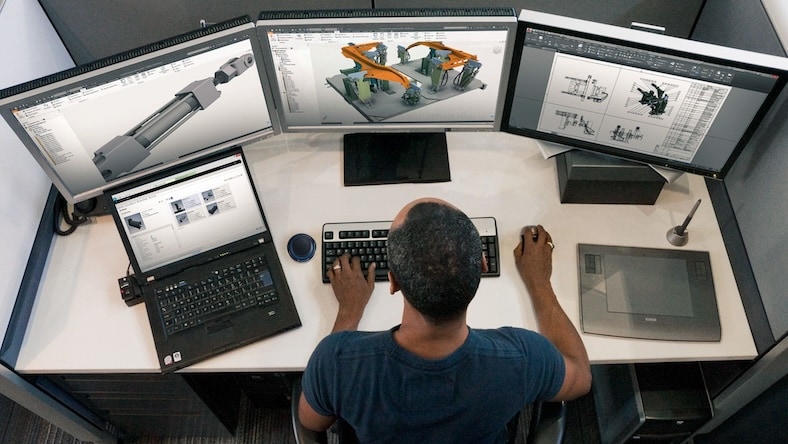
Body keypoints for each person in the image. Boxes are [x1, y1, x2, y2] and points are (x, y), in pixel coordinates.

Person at [299, 197, 591, 443]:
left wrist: (349, 312)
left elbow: (311, 422)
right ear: (483, 266)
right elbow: (581, 378)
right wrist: (540, 282)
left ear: (393, 282)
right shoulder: (522, 357)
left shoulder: (336, 362)